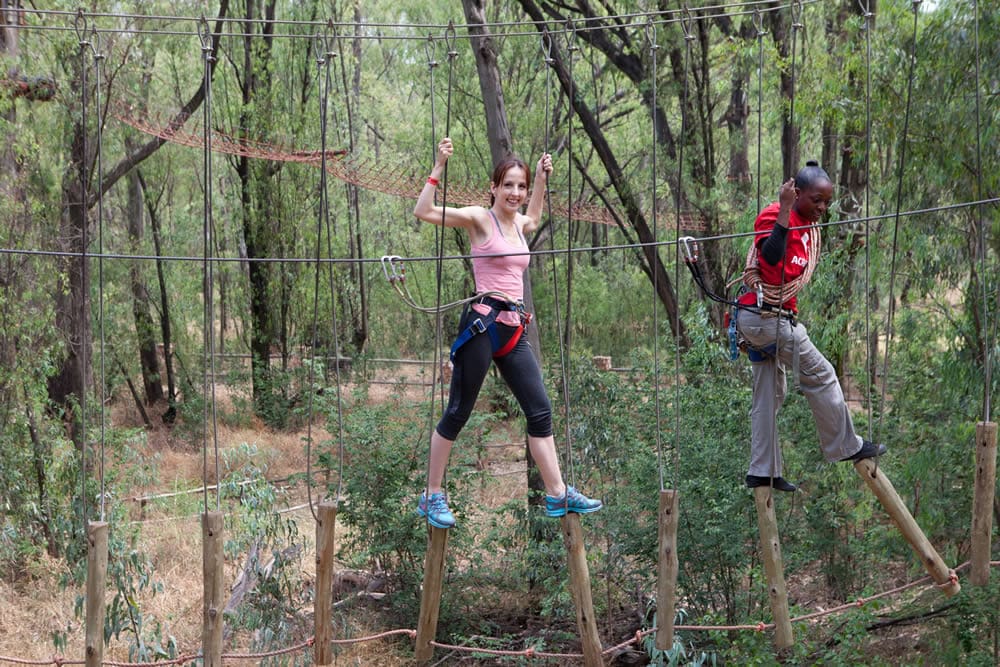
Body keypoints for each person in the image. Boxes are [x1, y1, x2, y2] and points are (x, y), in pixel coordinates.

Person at [410, 137, 602, 528]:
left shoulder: (522, 224)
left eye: (521, 186)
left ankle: (558, 494)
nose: (515, 193)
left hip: (514, 328)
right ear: (494, 188)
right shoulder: (481, 219)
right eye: (508, 185)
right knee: (458, 412)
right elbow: (424, 211)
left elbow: (533, 214)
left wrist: (543, 180)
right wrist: (439, 165)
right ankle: (431, 495)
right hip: (482, 324)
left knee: (540, 411)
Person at [735, 161, 886, 493]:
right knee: (821, 374)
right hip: (763, 317)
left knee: (770, 393)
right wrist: (785, 209)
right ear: (798, 194)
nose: (822, 208)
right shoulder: (775, 214)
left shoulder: (809, 230)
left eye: (826, 202)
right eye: (816, 200)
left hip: (773, 318)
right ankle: (846, 446)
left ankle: (762, 472)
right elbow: (770, 258)